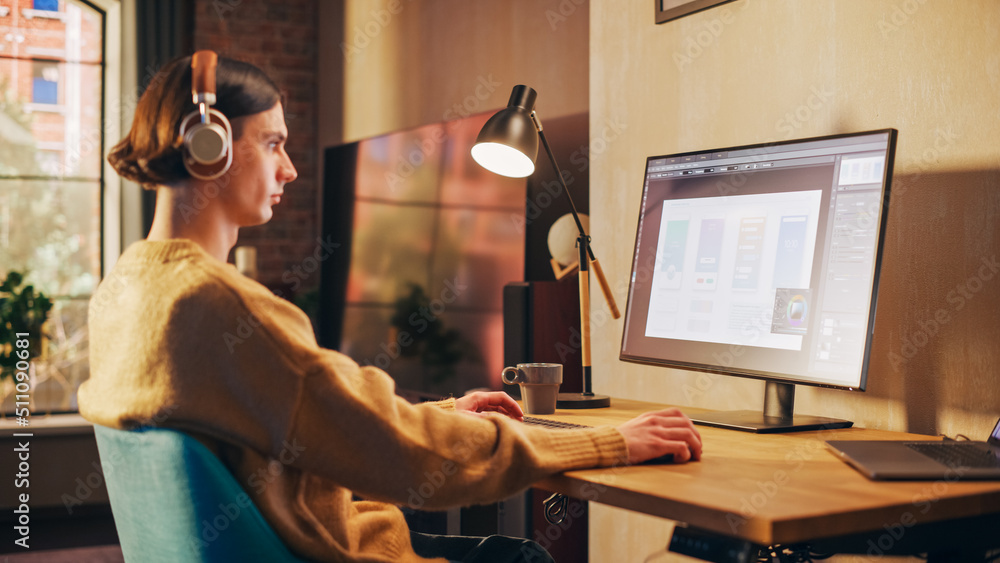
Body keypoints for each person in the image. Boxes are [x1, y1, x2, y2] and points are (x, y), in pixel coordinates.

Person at [80, 52, 702, 563]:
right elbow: (408, 461)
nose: (290, 169)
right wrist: (609, 444)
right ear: (209, 146)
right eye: (272, 144)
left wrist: (446, 411)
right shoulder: (216, 305)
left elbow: (324, 421)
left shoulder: (124, 293)